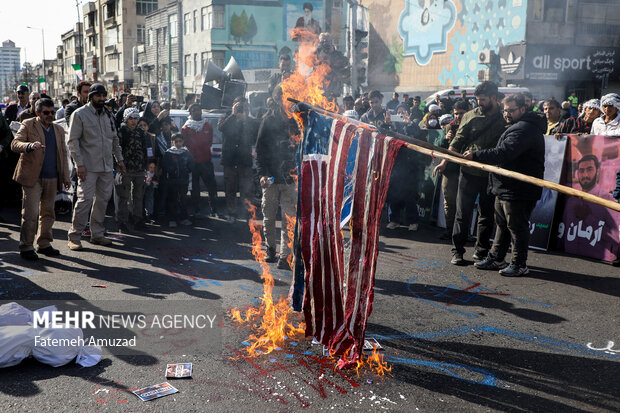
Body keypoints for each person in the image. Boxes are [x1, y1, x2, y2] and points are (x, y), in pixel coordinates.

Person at [463, 93, 545, 276]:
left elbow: (504, 152)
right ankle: (497, 257)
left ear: (523, 109)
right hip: (506, 186)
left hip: (518, 188)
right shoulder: (517, 126)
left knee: (517, 226)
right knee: (502, 223)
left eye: (511, 110)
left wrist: (476, 155)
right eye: (505, 110)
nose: (506, 114)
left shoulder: (524, 129)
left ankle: (519, 263)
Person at [433, 81, 506, 266]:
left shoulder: (504, 118)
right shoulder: (470, 116)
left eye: (482, 99)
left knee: (486, 214)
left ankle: (481, 251)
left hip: (491, 174)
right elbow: (457, 142)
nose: (479, 103)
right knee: (462, 213)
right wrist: (444, 162)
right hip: (468, 172)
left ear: (494, 98)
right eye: (477, 99)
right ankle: (457, 251)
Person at [10, 98, 71, 261]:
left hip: (52, 177)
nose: (50, 115)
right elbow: (15, 144)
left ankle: (44, 244)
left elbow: (63, 155)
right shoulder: (28, 124)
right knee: (30, 213)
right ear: (38, 112)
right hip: (32, 177)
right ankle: (26, 246)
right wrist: (29, 146)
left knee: (48, 213)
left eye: (52, 112)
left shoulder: (58, 129)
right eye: (46, 112)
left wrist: (65, 176)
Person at [67, 84, 125, 250]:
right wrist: (79, 164)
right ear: (90, 96)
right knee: (84, 201)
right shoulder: (80, 114)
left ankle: (97, 234)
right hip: (88, 167)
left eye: (103, 96)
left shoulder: (108, 115)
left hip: (107, 167)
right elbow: (73, 141)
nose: (101, 99)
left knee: (102, 201)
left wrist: (120, 160)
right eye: (97, 96)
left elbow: (115, 140)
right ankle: (74, 236)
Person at [256, 85, 298, 269]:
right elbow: (260, 149)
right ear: (277, 99)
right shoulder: (267, 121)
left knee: (289, 218)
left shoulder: (296, 121)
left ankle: (285, 256)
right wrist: (263, 174)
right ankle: (271, 249)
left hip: (289, 178)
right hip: (271, 177)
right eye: (282, 97)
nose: (286, 101)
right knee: (269, 215)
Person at [384, 104, 425, 231]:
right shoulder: (391, 125)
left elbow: (417, 137)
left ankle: (412, 221)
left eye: (404, 112)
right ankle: (394, 220)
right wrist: (387, 123)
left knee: (410, 195)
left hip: (410, 166)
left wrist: (409, 124)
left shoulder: (412, 125)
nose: (401, 114)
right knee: (393, 194)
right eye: (398, 112)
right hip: (395, 165)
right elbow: (383, 135)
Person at [218, 96, 258, 223]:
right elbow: (221, 128)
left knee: (247, 190)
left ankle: (248, 215)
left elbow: (255, 134)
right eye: (239, 106)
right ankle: (232, 214)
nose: (242, 108)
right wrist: (233, 115)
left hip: (244, 161)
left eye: (244, 106)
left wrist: (245, 120)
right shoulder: (225, 118)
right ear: (233, 105)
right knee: (230, 189)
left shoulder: (250, 120)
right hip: (230, 161)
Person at [436, 100, 469, 240]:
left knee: (465, 203)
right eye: (456, 114)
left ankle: (464, 234)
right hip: (450, 170)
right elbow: (438, 146)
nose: (458, 117)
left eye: (461, 113)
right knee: (449, 203)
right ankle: (450, 231)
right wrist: (445, 139)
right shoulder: (449, 128)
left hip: (466, 170)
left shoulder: (471, 126)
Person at [182, 103, 218, 217]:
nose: (197, 112)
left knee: (211, 187)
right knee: (195, 189)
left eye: (198, 110)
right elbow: (185, 144)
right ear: (190, 113)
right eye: (194, 110)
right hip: (193, 164)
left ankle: (214, 209)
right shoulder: (186, 128)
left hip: (206, 162)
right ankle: (196, 209)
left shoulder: (207, 125)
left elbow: (210, 141)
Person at [115, 108, 148, 232]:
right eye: (131, 118)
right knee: (123, 197)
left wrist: (147, 167)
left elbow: (145, 150)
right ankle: (122, 222)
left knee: (138, 196)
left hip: (139, 169)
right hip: (125, 170)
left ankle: (138, 220)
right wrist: (117, 168)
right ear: (126, 119)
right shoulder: (121, 132)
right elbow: (116, 150)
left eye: (135, 118)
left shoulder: (140, 132)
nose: (133, 121)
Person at [162, 133, 194, 227]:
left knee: (183, 199)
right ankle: (172, 219)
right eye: (176, 141)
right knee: (172, 200)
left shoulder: (186, 152)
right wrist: (172, 170)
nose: (178, 143)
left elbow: (191, 164)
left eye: (180, 141)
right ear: (172, 142)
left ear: (183, 142)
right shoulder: (168, 153)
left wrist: (187, 169)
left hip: (183, 181)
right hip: (172, 181)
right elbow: (165, 165)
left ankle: (184, 218)